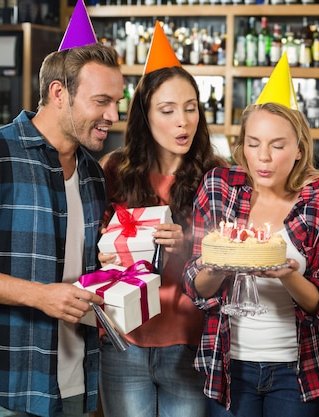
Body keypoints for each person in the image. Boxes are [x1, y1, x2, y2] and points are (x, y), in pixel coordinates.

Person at [0, 42, 124, 416]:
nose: (114, 114)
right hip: (1, 389)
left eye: (117, 102)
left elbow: (80, 267)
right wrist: (40, 296)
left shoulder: (92, 173)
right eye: (102, 101)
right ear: (59, 93)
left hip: (76, 383)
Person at [182, 88, 319, 415]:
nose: (264, 157)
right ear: (242, 145)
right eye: (254, 143)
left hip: (298, 371)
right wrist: (216, 268)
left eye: (278, 145)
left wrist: (287, 274)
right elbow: (193, 284)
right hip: (228, 365)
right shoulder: (219, 186)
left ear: (300, 150)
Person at [97, 21, 226, 417]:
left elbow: (231, 258)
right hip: (122, 339)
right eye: (168, 111)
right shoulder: (115, 170)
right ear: (146, 116)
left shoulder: (216, 176)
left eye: (190, 109)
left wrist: (188, 245)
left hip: (186, 343)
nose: (183, 122)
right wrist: (107, 249)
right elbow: (94, 253)